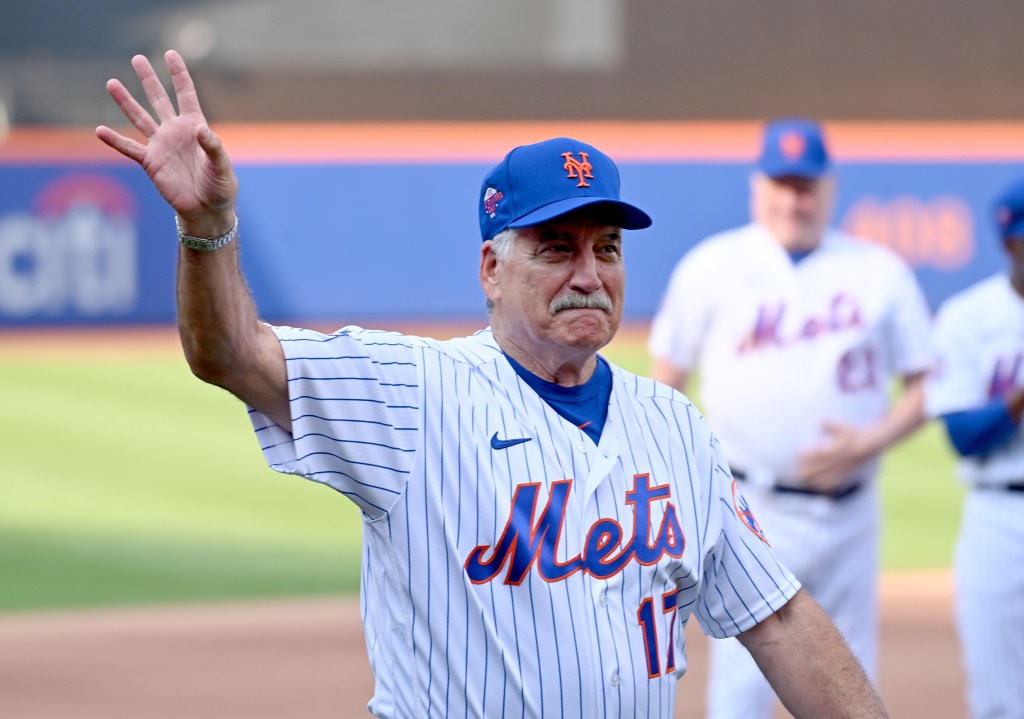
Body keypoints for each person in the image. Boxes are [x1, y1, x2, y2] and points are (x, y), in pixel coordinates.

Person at [97, 53, 891, 718]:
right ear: (491, 269)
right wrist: (207, 229)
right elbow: (233, 354)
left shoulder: (674, 425)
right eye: (557, 248)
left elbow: (778, 619)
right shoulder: (416, 394)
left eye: (607, 248)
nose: (590, 273)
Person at [648, 118, 932, 719]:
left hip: (853, 512)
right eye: (782, 183)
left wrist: (871, 441)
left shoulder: (879, 271)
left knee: (850, 679)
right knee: (744, 686)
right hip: (753, 508)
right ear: (758, 187)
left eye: (806, 185)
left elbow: (927, 385)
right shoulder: (712, 266)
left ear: (829, 189)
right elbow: (663, 382)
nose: (794, 199)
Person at [925, 178, 1024, 719]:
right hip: (1000, 517)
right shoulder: (968, 317)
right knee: (1000, 699)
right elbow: (962, 437)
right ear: (1010, 244)